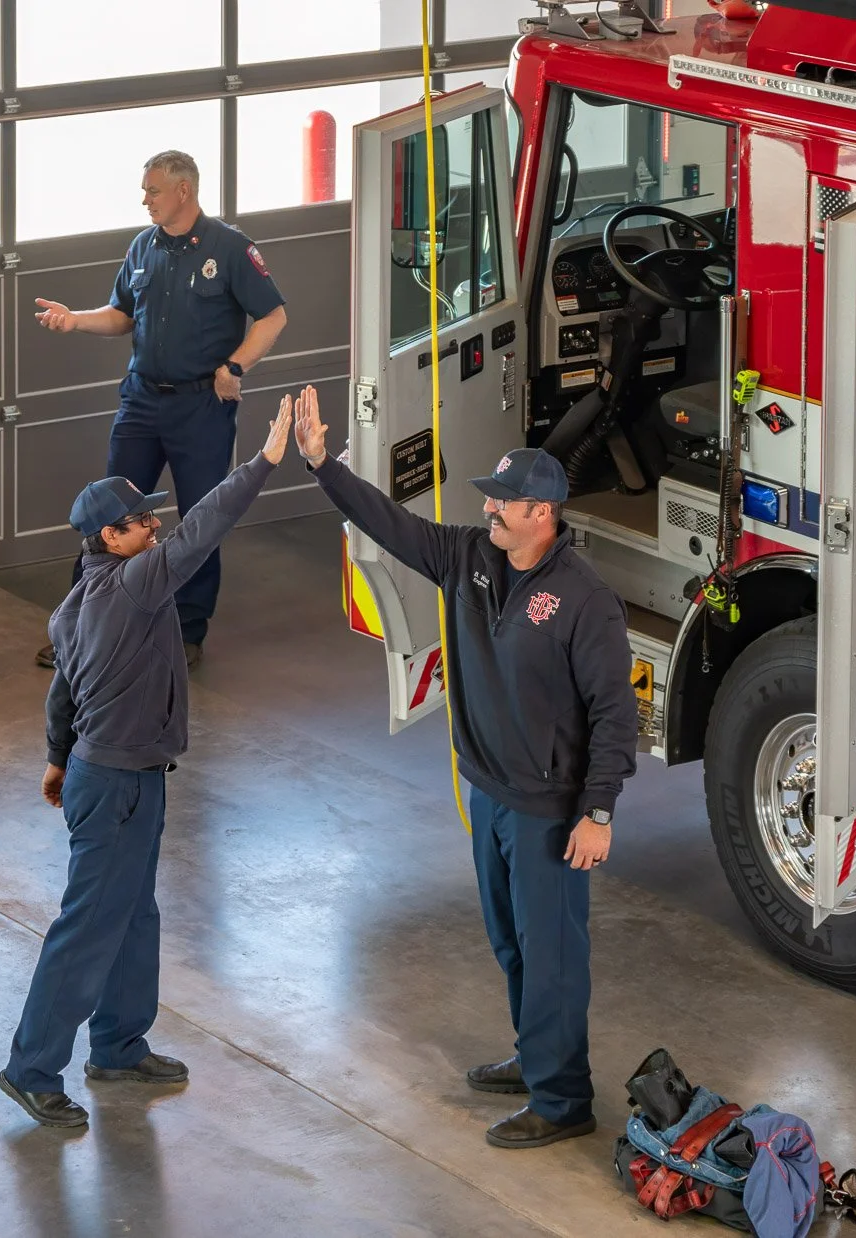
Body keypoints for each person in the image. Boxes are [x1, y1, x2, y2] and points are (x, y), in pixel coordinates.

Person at [292, 386, 638, 1150]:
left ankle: (562, 1100)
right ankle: (535, 1056)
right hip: (490, 794)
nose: (491, 512)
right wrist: (323, 466)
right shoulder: (472, 559)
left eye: (506, 504)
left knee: (551, 959)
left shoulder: (586, 603)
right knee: (512, 943)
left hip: (551, 809)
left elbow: (617, 715)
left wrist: (599, 810)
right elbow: (392, 524)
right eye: (492, 500)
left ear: (542, 515)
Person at [0, 398, 295, 1129]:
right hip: (119, 783)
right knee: (90, 922)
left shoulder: (72, 608)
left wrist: (55, 758)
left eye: (152, 516)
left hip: (117, 775)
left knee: (134, 914)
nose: (155, 525)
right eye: (141, 521)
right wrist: (265, 460)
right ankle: (30, 1068)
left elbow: (63, 689)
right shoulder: (135, 585)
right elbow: (205, 528)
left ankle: (119, 1046)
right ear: (110, 536)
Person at [31, 150, 289, 672]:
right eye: (145, 190)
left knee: (200, 516)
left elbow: (273, 316)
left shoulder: (231, 249)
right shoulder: (143, 247)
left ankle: (187, 630)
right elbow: (122, 315)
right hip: (142, 399)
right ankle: (84, 622)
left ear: (184, 192)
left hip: (200, 406)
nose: (144, 199)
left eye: (152, 190)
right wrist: (75, 320)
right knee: (108, 513)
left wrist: (234, 368)